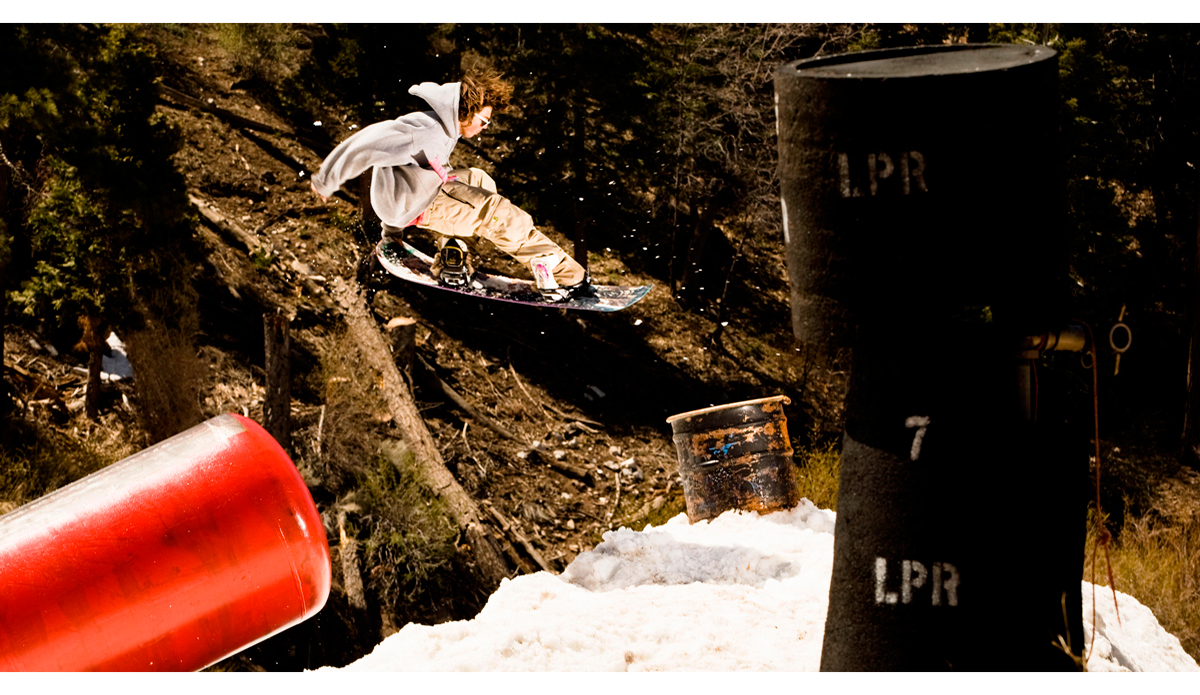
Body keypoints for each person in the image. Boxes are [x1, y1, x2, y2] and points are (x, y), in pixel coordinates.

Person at [309, 71, 588, 300]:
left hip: (414, 199)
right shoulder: (423, 130)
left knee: (478, 179)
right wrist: (326, 180)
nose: (485, 127)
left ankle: (452, 254)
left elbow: (406, 173)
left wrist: (392, 231)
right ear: (465, 112)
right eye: (484, 120)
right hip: (421, 203)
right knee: (496, 211)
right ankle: (561, 272)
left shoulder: (445, 130)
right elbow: (364, 145)